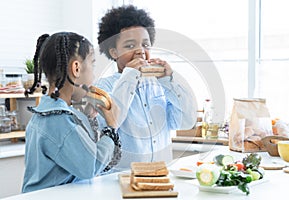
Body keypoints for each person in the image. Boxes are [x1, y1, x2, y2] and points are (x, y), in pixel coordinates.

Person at [96, 5, 197, 171]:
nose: (140, 52)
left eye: (145, 45)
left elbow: (186, 122)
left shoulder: (161, 86)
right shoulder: (104, 87)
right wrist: (129, 76)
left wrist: (170, 80)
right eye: (130, 46)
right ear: (114, 52)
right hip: (120, 180)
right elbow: (109, 126)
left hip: (160, 178)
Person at [22, 32, 121, 193]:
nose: (94, 75)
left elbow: (73, 155)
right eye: (93, 65)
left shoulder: (48, 113)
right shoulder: (58, 120)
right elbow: (90, 166)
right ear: (76, 68)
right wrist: (111, 127)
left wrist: (88, 119)